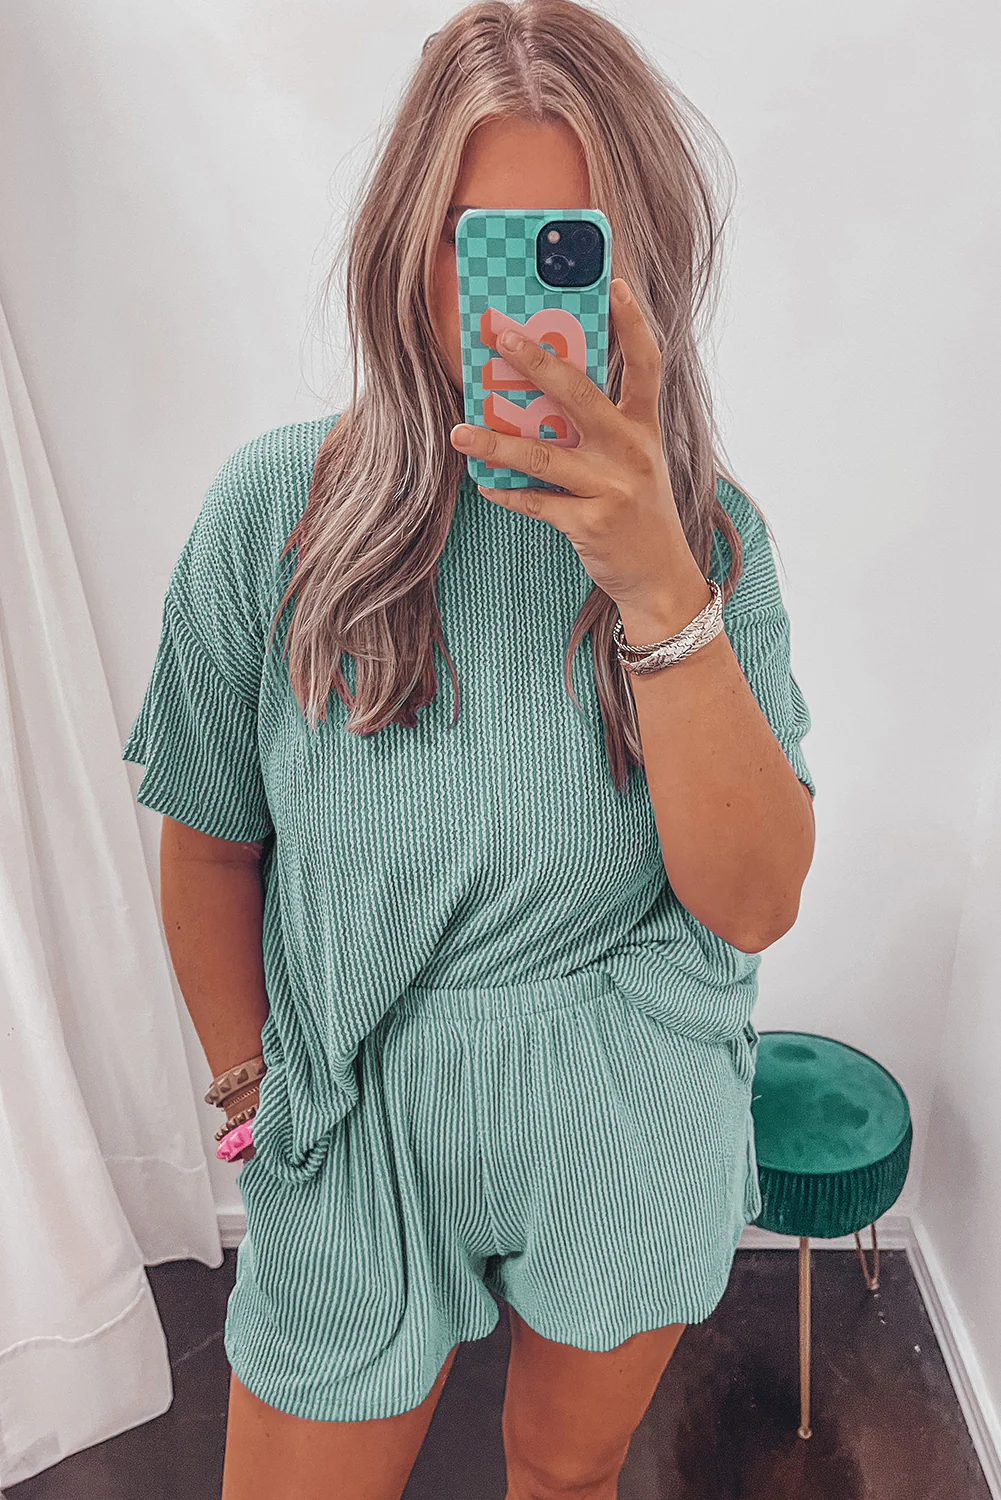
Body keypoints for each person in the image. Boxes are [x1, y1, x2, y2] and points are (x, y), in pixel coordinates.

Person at [121, 1, 817, 1496]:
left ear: (642, 269)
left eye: (571, 249)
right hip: (355, 1126)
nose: (517, 305)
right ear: (407, 251)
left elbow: (756, 899)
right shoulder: (274, 517)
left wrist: (656, 584)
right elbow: (209, 840)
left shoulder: (711, 546)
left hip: (625, 1107)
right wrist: (250, 1092)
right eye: (475, 242)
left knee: (566, 1478)